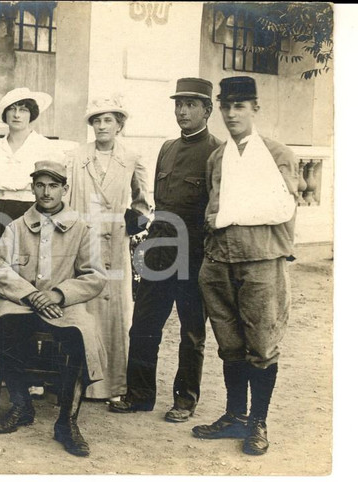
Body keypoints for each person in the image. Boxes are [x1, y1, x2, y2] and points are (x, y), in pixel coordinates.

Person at [191, 76, 298, 456]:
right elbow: (212, 208)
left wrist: (227, 217)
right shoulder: (217, 157)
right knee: (230, 345)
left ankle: (258, 423)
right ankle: (235, 416)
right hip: (219, 262)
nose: (231, 113)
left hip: (261, 263)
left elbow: (283, 208)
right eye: (226, 105)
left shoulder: (276, 152)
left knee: (262, 346)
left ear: (255, 108)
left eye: (240, 106)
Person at [0, 160, 107, 457]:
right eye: (40, 185)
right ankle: (21, 405)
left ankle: (66, 422)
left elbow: (95, 275)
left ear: (65, 189)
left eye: (53, 185)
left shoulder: (82, 229)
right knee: (1, 326)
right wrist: (32, 295)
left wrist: (59, 294)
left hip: (64, 305)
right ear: (32, 187)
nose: (46, 192)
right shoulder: (16, 227)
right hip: (23, 302)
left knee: (80, 333)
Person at [109, 78, 222, 422]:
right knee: (143, 325)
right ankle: (140, 395)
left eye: (191, 104)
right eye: (179, 104)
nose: (183, 111)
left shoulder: (217, 152)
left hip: (194, 255)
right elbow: (159, 204)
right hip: (159, 251)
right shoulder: (167, 148)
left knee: (191, 333)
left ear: (207, 110)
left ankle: (185, 401)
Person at [66, 95, 152, 401]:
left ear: (119, 125)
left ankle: (114, 385)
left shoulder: (130, 158)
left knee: (115, 312)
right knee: (83, 309)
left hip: (115, 244)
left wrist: (131, 223)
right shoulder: (76, 157)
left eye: (108, 121)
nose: (102, 126)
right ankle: (81, 382)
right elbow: (65, 198)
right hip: (83, 241)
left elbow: (142, 200)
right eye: (97, 120)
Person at [0, 87, 60, 346]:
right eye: (12, 109)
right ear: (4, 114)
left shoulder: (45, 147)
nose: (17, 114)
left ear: (31, 114)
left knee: (29, 278)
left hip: (31, 212)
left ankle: (26, 354)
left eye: (23, 109)